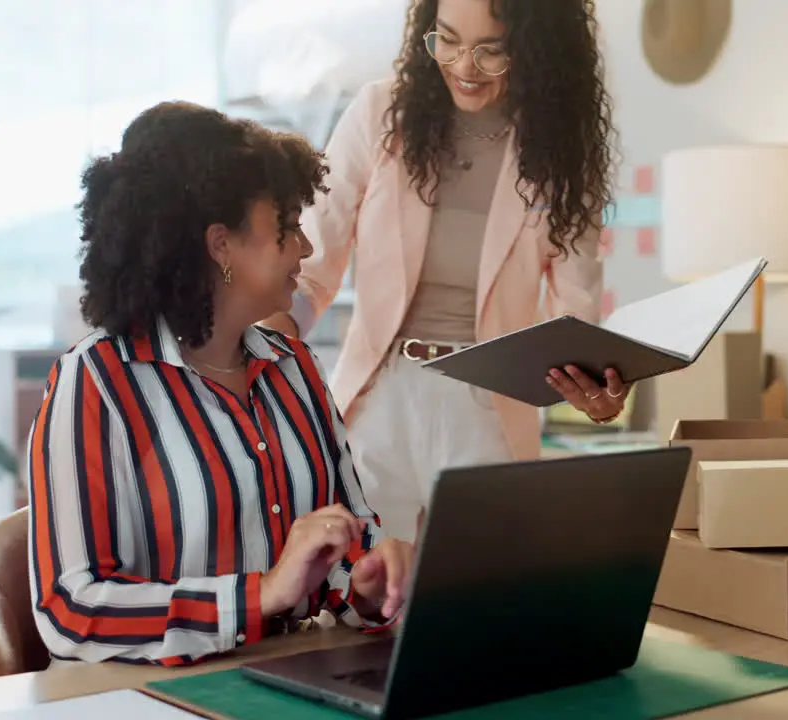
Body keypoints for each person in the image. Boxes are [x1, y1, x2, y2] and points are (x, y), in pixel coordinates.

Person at [27, 101, 413, 666]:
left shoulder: (294, 368)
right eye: (285, 227)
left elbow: (348, 543)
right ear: (220, 245)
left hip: (293, 677)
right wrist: (261, 596)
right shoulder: (97, 382)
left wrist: (373, 580)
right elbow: (70, 610)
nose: (306, 248)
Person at [261, 0, 631, 541]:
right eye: (448, 40)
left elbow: (575, 308)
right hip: (379, 397)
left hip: (488, 404)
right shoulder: (380, 114)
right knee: (361, 596)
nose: (463, 65)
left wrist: (593, 387)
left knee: (476, 600)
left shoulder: (561, 152)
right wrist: (261, 347)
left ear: (535, 49)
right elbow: (313, 262)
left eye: (491, 50)